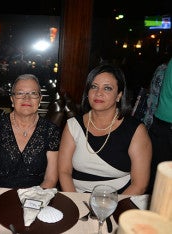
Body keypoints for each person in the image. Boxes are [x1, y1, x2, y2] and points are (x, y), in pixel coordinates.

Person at [58, 63, 152, 195]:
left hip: (119, 200)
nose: (98, 93)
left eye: (107, 88)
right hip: (76, 196)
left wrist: (108, 208)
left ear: (119, 95)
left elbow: (140, 184)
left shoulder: (136, 130)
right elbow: (64, 171)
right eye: (94, 87)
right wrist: (75, 201)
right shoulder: (73, 125)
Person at [0, 74, 60, 189]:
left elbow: (50, 179)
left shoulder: (51, 131)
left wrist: (34, 201)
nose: (26, 98)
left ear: (40, 99)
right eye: (20, 93)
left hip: (36, 199)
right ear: (12, 99)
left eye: (33, 93)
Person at [148, 58, 172, 193]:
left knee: (158, 184)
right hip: (166, 128)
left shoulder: (164, 67)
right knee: (160, 186)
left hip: (160, 126)